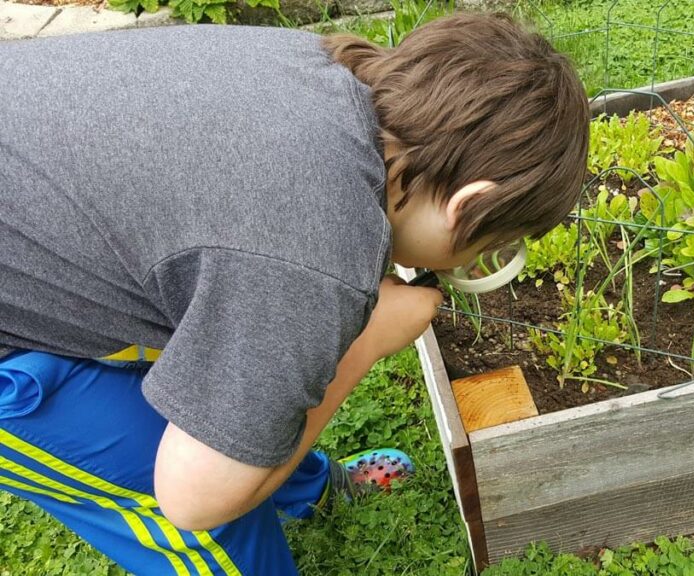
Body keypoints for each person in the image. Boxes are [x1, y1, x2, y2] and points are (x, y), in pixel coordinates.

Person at [0, 13, 588, 575]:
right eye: (497, 241)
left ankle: (298, 486)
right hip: (15, 342)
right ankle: (254, 484)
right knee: (207, 508)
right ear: (468, 204)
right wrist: (369, 341)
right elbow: (191, 500)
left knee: (245, 379)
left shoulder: (319, 69)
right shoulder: (310, 253)